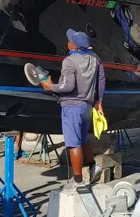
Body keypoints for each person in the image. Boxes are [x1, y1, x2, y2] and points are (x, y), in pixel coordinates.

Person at [41, 29, 106, 187]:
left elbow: (67, 86)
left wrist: (51, 86)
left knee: (73, 143)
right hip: (87, 107)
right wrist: (99, 102)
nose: (67, 42)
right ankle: (92, 167)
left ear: (74, 46)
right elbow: (101, 79)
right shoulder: (94, 58)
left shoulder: (69, 61)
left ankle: (77, 181)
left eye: (69, 40)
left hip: (72, 107)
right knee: (83, 139)